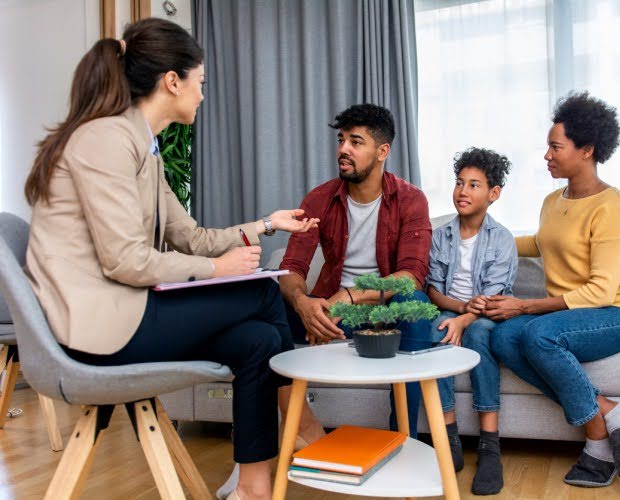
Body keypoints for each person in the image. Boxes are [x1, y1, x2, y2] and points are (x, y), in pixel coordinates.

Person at [23, 18, 322, 500]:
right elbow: (125, 260)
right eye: (200, 83)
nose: (202, 96)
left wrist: (267, 224)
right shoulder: (105, 140)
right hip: (95, 333)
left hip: (124, 313)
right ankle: (310, 435)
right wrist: (217, 271)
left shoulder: (144, 146)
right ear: (172, 81)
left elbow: (191, 237)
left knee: (258, 340)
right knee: (266, 294)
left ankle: (252, 485)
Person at [482, 91, 620, 487]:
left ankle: (596, 442)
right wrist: (481, 231)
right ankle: (608, 410)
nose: (547, 156)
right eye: (548, 147)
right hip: (571, 315)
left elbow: (601, 293)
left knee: (538, 334)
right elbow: (541, 244)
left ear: (587, 150)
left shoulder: (613, 208)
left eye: (555, 147)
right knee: (503, 338)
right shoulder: (553, 200)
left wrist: (523, 306)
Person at [279, 103, 434, 437]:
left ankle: (403, 437)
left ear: (382, 151)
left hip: (380, 315)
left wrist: (347, 298)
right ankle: (294, 430)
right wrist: (304, 304)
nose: (343, 150)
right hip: (329, 314)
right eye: (341, 140)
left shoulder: (410, 200)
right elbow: (291, 268)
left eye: (355, 141)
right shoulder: (319, 199)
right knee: (261, 302)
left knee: (416, 306)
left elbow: (409, 276)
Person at [425, 147, 517, 495]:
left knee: (479, 333)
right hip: (453, 306)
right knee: (439, 330)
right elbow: (433, 290)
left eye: (474, 185)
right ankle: (448, 439)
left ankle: (489, 446)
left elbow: (493, 300)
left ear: (493, 194)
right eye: (460, 183)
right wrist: (460, 309)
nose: (463, 191)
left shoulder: (502, 239)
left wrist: (467, 318)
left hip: (486, 315)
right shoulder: (440, 235)